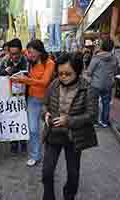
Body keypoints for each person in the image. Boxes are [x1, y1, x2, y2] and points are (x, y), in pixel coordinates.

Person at [42, 52, 98, 200]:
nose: (63, 77)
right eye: (60, 74)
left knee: (73, 173)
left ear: (78, 72)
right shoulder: (54, 84)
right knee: (47, 171)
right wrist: (45, 113)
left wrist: (69, 121)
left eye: (68, 74)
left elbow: (92, 115)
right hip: (53, 134)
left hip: (74, 138)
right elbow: (45, 104)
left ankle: (69, 196)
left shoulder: (87, 88)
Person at [11, 39, 55, 166]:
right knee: (33, 128)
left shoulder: (49, 63)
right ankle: (36, 155)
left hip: (48, 99)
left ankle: (51, 151)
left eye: (31, 52)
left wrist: (25, 80)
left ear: (40, 51)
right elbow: (17, 50)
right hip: (32, 99)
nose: (29, 55)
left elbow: (45, 82)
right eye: (28, 53)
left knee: (51, 128)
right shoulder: (30, 61)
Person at [0, 38, 29, 155]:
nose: (14, 56)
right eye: (12, 53)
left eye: (16, 53)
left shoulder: (27, 61)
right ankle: (13, 143)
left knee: (22, 118)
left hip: (23, 96)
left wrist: (15, 71)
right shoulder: (5, 61)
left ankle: (23, 141)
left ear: (21, 51)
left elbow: (28, 75)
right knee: (11, 118)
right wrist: (6, 71)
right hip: (9, 96)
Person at [87, 39, 119, 128]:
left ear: (102, 47)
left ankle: (95, 122)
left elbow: (89, 71)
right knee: (106, 103)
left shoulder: (96, 58)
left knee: (94, 104)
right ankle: (104, 122)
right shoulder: (115, 58)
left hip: (96, 84)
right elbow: (116, 72)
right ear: (111, 48)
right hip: (108, 84)